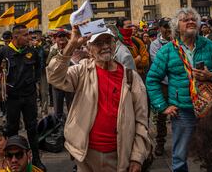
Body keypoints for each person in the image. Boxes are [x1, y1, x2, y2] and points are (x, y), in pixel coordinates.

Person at [47, 27, 151, 172]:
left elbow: (141, 120)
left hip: (119, 156)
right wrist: (71, 45)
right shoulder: (81, 71)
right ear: (89, 50)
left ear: (115, 44)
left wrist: (137, 156)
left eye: (108, 41)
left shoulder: (131, 77)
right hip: (85, 155)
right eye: (98, 43)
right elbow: (54, 77)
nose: (105, 46)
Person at [146, 7, 212, 172]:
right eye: (185, 19)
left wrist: (211, 75)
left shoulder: (208, 46)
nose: (191, 21)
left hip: (209, 108)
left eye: (193, 19)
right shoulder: (167, 51)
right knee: (180, 155)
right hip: (183, 111)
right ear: (177, 26)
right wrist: (163, 106)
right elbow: (152, 80)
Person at [0, 24, 45, 171]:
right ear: (16, 37)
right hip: (12, 98)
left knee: (32, 129)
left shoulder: (32, 52)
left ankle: (36, 159)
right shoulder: (4, 51)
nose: (29, 37)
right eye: (25, 35)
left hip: (29, 97)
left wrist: (33, 83)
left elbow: (39, 68)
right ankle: (12, 160)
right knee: (12, 129)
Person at [148, 17, 172, 156]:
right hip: (163, 84)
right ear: (160, 28)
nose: (168, 29)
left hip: (178, 85)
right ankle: (160, 143)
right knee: (162, 115)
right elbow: (159, 64)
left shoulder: (177, 41)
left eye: (170, 26)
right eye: (165, 26)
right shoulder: (155, 44)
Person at [45, 29, 74, 123]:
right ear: (55, 39)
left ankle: (72, 124)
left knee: (72, 106)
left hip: (69, 80)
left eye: (63, 36)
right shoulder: (53, 49)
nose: (62, 39)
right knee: (58, 107)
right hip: (57, 82)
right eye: (59, 36)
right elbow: (48, 64)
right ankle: (59, 126)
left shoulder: (72, 47)